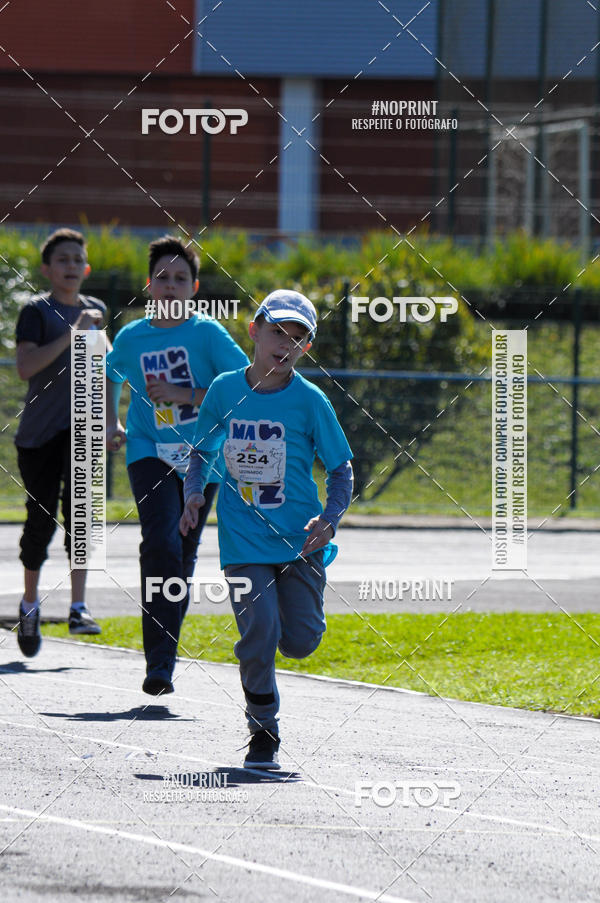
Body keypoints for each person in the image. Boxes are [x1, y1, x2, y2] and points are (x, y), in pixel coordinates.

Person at [180, 289, 353, 769]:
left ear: (306, 349)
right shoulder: (223, 391)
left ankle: (288, 616)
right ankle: (263, 727)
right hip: (241, 541)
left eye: (298, 338)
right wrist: (195, 492)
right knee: (260, 628)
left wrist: (330, 518)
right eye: (278, 331)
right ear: (255, 331)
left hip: (299, 542)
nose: (286, 343)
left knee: (299, 641)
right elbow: (202, 450)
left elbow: (341, 469)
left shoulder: (310, 401)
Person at [105, 235, 248, 696]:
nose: (170, 286)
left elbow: (245, 388)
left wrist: (188, 395)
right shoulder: (132, 337)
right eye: (162, 278)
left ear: (195, 287)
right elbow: (108, 373)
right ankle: (159, 665)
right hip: (148, 450)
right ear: (149, 286)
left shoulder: (208, 334)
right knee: (161, 542)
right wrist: (112, 422)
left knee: (181, 557)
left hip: (201, 459)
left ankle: (164, 660)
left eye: (180, 279)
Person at [15, 228, 106, 657]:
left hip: (83, 431)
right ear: (48, 269)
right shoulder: (36, 311)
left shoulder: (97, 311)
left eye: (77, 259)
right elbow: (26, 366)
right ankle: (30, 604)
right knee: (41, 520)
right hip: (39, 435)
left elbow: (104, 371)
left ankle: (78, 606)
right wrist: (72, 332)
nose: (71, 266)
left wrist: (111, 421)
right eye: (63, 260)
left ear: (86, 268)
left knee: (84, 519)